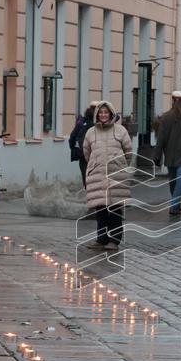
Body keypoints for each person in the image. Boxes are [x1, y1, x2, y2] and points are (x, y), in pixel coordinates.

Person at [82, 101, 133, 251]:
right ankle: (101, 239)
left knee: (115, 210)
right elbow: (87, 152)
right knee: (101, 210)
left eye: (106, 112)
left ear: (111, 114)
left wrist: (120, 165)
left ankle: (114, 240)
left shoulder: (120, 131)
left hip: (116, 176)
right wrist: (95, 165)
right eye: (101, 112)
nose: (103, 115)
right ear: (97, 114)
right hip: (98, 175)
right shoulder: (91, 132)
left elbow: (128, 152)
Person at [71, 101, 98, 187]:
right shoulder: (102, 123)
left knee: (87, 182)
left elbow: (72, 138)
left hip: (83, 157)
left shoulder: (82, 122)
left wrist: (75, 150)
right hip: (98, 157)